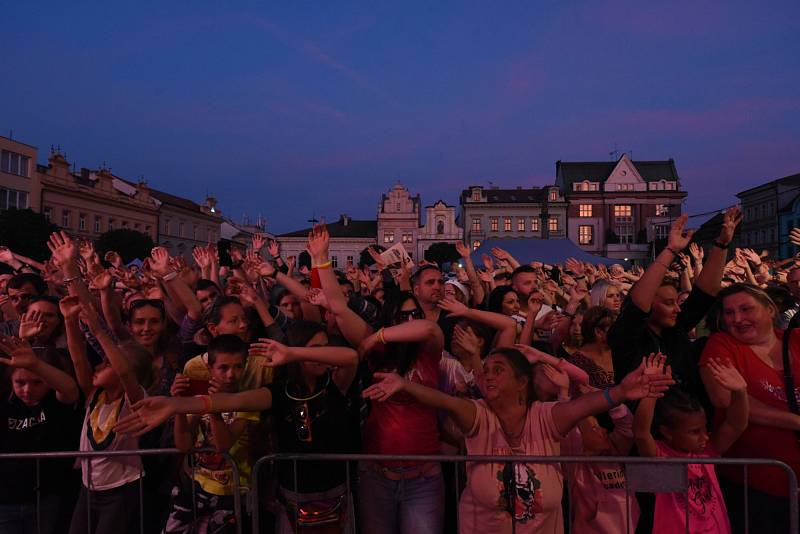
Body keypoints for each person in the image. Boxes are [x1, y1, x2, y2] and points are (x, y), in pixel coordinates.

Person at [362, 348, 674, 533]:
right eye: (485, 371)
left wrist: (622, 392)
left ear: (522, 383)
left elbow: (586, 404)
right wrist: (405, 384)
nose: (488, 376)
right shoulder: (479, 416)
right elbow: (446, 402)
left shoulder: (546, 417)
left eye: (499, 370)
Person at [699, 283, 800, 533]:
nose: (738, 319)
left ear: (769, 309)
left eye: (746, 309)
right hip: (755, 488)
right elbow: (725, 399)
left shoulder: (796, 339)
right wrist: (796, 422)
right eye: (730, 313)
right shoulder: (721, 344)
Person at [634, 355, 749, 534]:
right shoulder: (661, 457)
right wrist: (651, 392)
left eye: (705, 429)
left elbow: (736, 425)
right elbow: (641, 434)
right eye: (694, 432)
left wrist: (740, 392)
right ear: (667, 432)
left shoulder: (706, 452)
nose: (704, 437)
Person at [164, 334, 258, 534]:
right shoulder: (200, 396)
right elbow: (183, 444)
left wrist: (213, 408)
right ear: (210, 369)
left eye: (238, 367)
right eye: (223, 368)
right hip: (196, 485)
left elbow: (223, 445)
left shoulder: (248, 401)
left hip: (233, 490)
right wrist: (179, 404)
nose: (231, 375)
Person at [0, 336, 80, 534]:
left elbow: (71, 390)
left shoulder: (55, 402)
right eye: (20, 382)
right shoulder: (6, 404)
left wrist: (36, 364)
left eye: (37, 383)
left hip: (46, 499)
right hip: (6, 500)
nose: (27, 390)